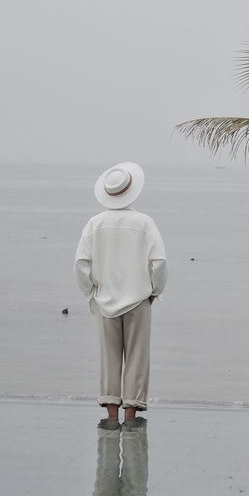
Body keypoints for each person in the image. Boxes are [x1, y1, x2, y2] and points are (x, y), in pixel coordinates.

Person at [74, 162, 168, 429]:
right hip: (139, 299)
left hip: (105, 301)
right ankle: (131, 416)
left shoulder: (95, 223)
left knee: (109, 357)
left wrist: (90, 292)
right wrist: (155, 291)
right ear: (132, 192)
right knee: (138, 356)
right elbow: (159, 262)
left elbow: (81, 263)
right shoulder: (145, 223)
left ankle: (111, 416)